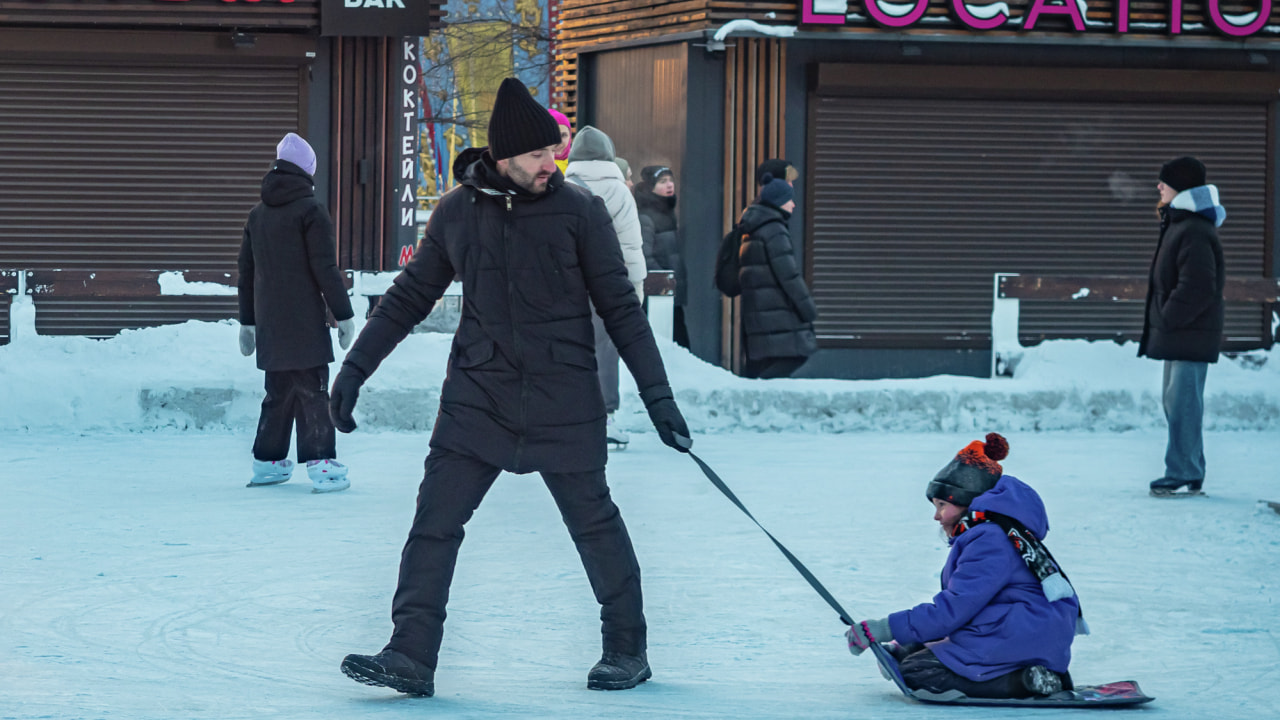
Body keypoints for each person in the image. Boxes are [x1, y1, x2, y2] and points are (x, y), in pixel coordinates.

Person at [332, 78, 692, 697]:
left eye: (553, 152)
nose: (550, 164)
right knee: (434, 523)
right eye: (536, 155)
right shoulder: (457, 212)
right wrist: (355, 370)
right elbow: (409, 298)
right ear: (503, 157)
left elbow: (621, 309)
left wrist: (658, 396)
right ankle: (410, 654)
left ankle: (627, 650)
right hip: (479, 395)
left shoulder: (580, 209)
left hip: (564, 397)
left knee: (595, 525)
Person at [845, 433, 1085, 700]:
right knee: (911, 653)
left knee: (919, 673)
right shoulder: (996, 532)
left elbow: (955, 609)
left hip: (1020, 635)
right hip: (1017, 631)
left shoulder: (990, 540)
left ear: (965, 502)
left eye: (942, 505)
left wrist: (885, 627)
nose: (937, 516)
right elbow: (962, 609)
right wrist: (903, 646)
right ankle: (1030, 673)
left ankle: (1026, 680)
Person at [237, 132, 355, 493]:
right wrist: (344, 315)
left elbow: (246, 272)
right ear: (307, 171)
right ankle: (322, 464)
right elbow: (325, 268)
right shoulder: (311, 211)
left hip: (271, 325)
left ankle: (267, 462)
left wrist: (248, 323)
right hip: (304, 325)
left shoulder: (257, 215)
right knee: (314, 392)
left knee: (277, 394)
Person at [1139, 156, 1226, 498]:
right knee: (1177, 403)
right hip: (1181, 333)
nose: (1158, 186)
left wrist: (1168, 318)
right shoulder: (1181, 224)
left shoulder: (1193, 229)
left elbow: (1198, 286)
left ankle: (1182, 470)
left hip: (1188, 332)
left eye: (1165, 181)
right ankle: (1189, 468)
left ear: (1182, 187)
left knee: (1183, 404)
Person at [565, 126, 647, 449]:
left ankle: (569, 413)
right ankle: (605, 417)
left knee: (570, 348)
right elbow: (632, 246)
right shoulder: (620, 191)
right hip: (609, 287)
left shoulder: (565, 187)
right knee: (605, 350)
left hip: (570, 284)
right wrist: (635, 294)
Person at [737, 174, 817, 379]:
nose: (793, 204)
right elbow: (789, 275)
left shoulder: (754, 227)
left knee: (764, 364)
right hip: (777, 311)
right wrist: (808, 310)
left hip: (761, 312)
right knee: (795, 355)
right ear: (779, 201)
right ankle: (755, 396)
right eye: (789, 199)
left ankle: (755, 400)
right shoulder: (774, 230)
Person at [634, 165, 688, 347]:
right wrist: (665, 280)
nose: (669, 185)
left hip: (668, 295)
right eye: (662, 181)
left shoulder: (667, 214)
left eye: (670, 180)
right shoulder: (647, 217)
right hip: (658, 297)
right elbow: (645, 257)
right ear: (651, 187)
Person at [549, 108, 574, 174]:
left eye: (564, 135)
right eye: (554, 135)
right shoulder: (537, 168)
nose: (559, 141)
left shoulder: (578, 165)